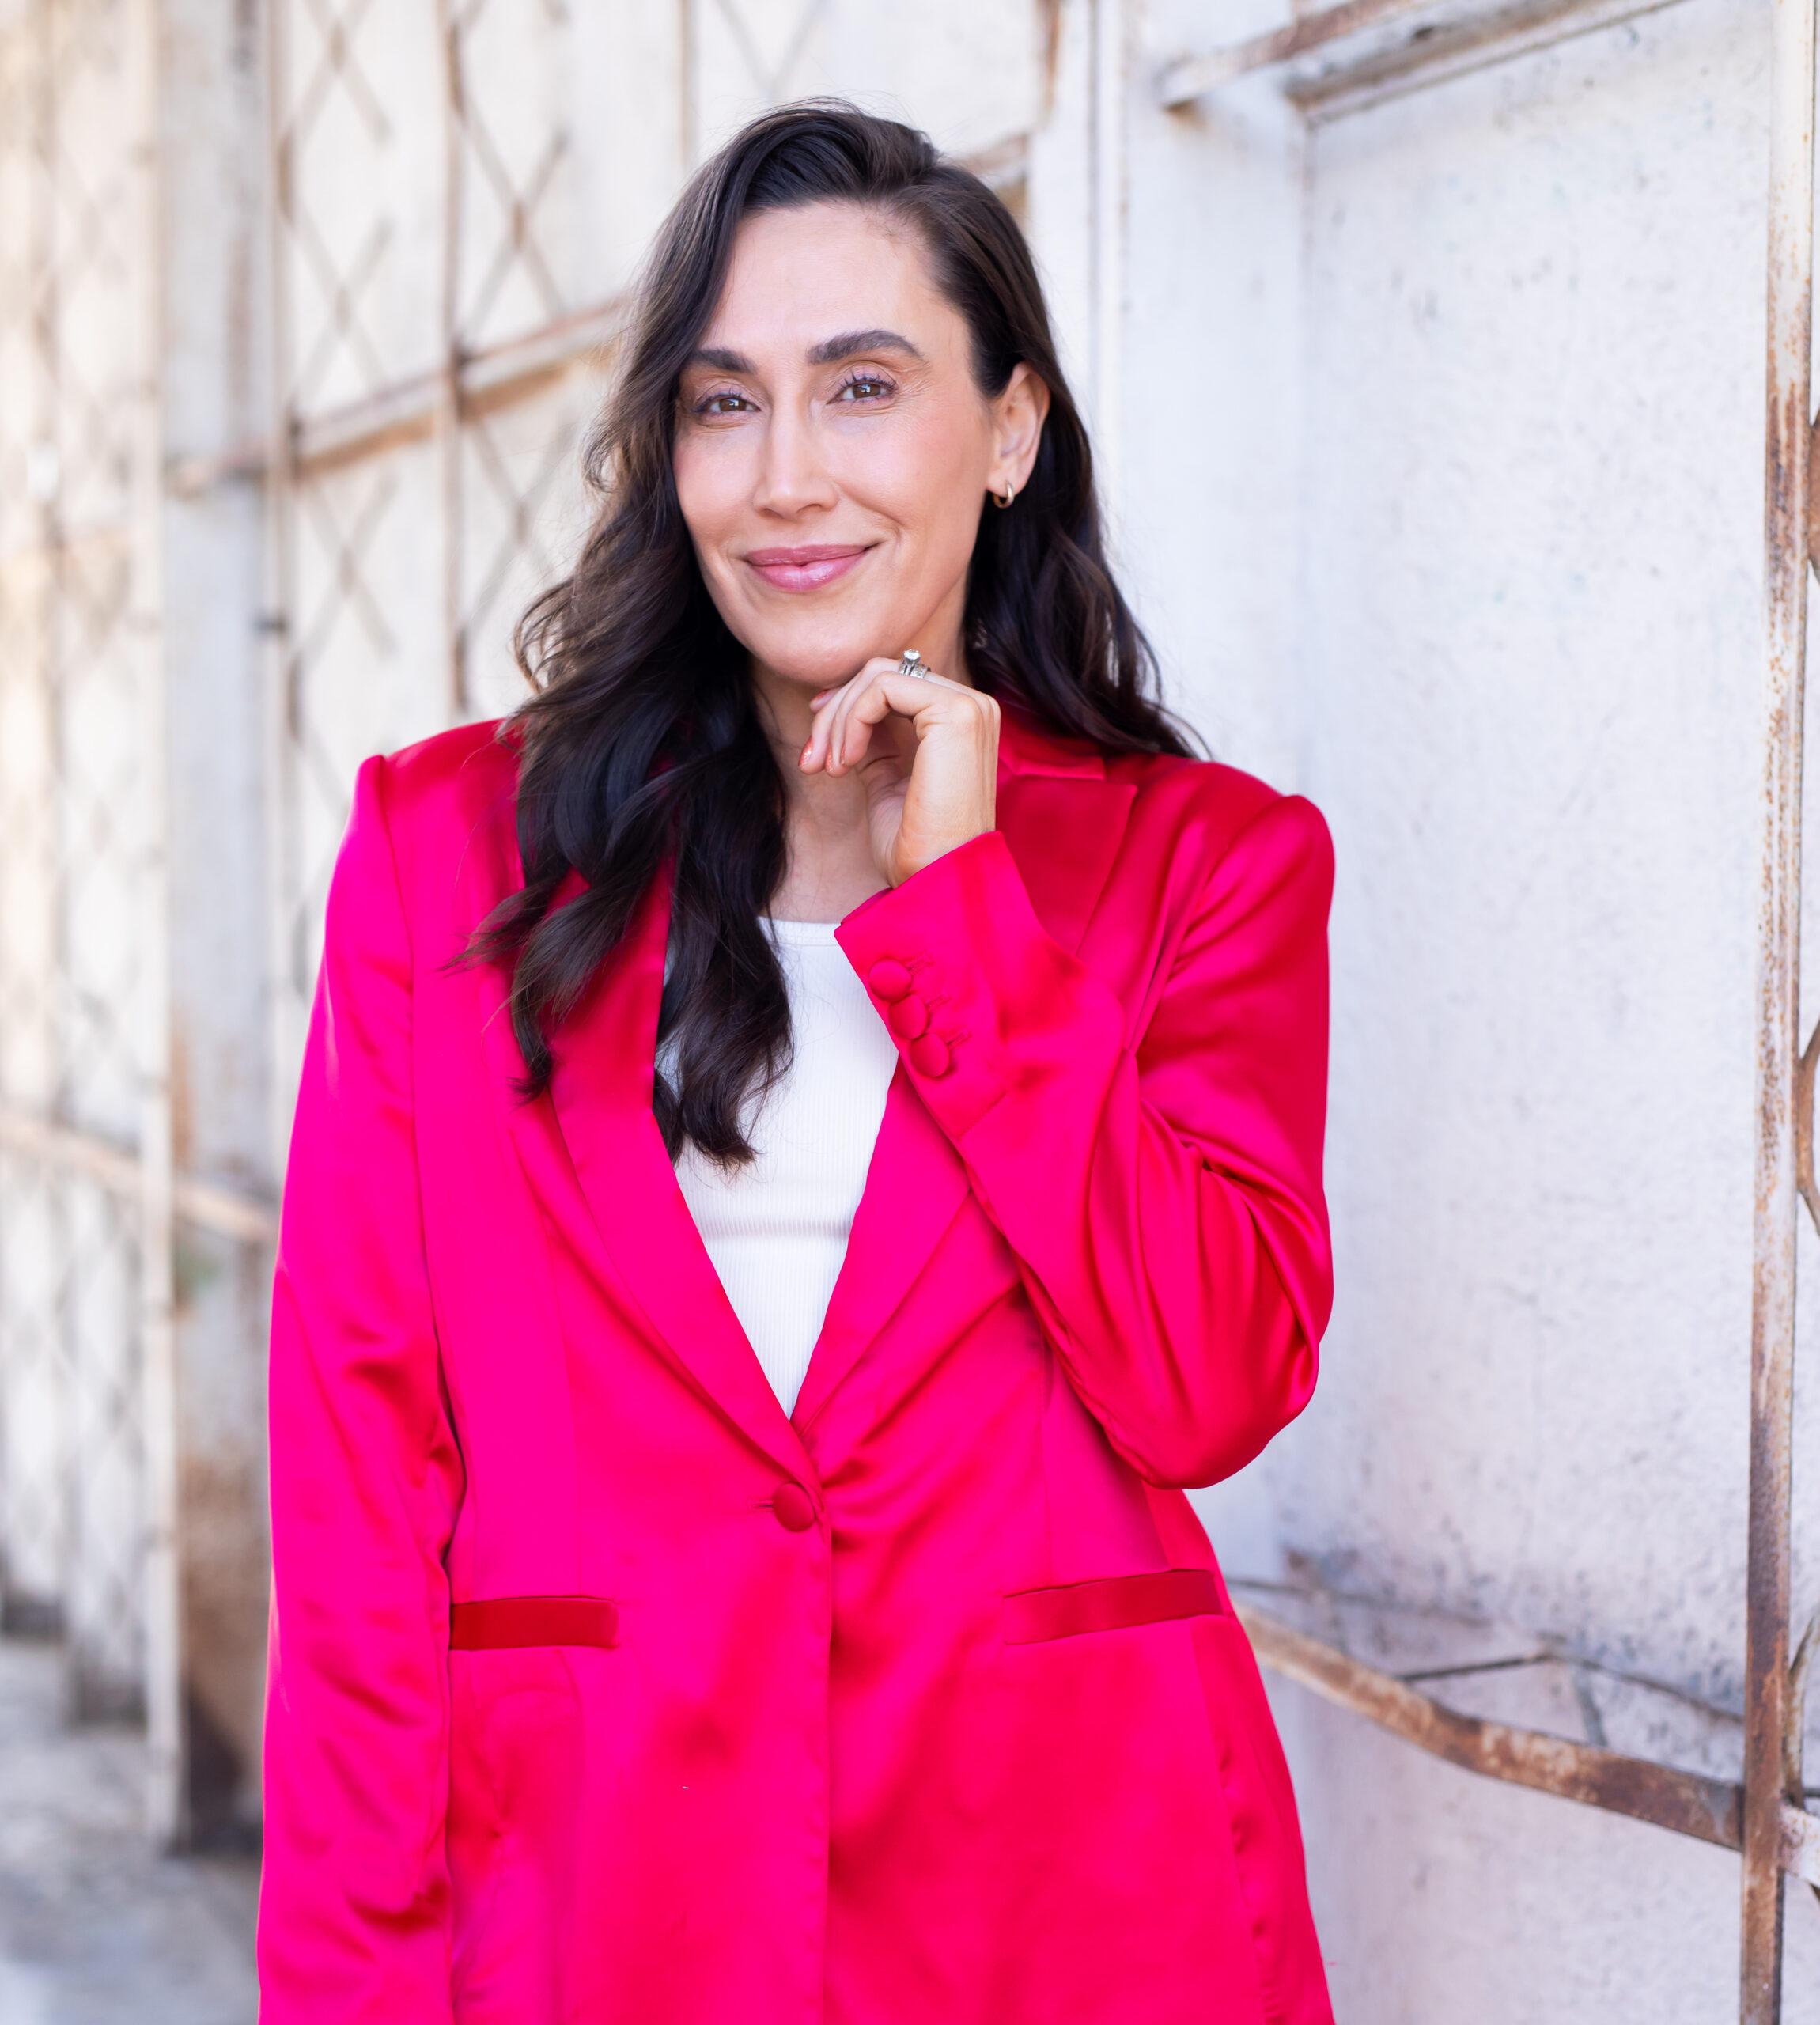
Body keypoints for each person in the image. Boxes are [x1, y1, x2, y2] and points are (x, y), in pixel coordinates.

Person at [258, 100, 1336, 2025]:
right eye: (720, 402)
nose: (784, 478)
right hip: (599, 1907)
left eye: (861, 387)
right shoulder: (447, 855)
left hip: (1074, 1897)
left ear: (1005, 431)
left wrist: (967, 912)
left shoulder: (1211, 864)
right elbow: (357, 1505)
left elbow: (1207, 1383)